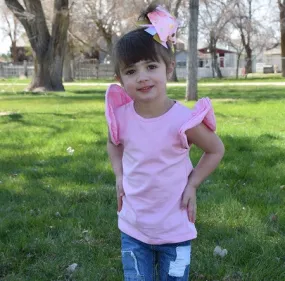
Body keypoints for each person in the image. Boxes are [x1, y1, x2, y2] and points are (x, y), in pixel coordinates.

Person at [105, 3, 225, 281]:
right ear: (120, 79)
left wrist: (193, 183)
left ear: (168, 69)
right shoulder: (121, 117)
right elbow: (113, 142)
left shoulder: (183, 120)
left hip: (176, 228)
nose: (143, 76)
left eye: (150, 66)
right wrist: (119, 174)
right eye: (131, 71)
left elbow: (215, 149)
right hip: (133, 228)